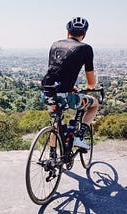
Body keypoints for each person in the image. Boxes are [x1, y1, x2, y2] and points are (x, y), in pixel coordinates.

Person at [41, 17, 99, 153]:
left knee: (58, 121)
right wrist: (90, 87)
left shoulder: (55, 44)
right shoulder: (85, 48)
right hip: (64, 97)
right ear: (84, 34)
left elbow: (57, 71)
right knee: (94, 104)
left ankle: (52, 154)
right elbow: (91, 82)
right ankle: (79, 136)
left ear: (68, 33)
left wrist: (69, 86)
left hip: (47, 94)